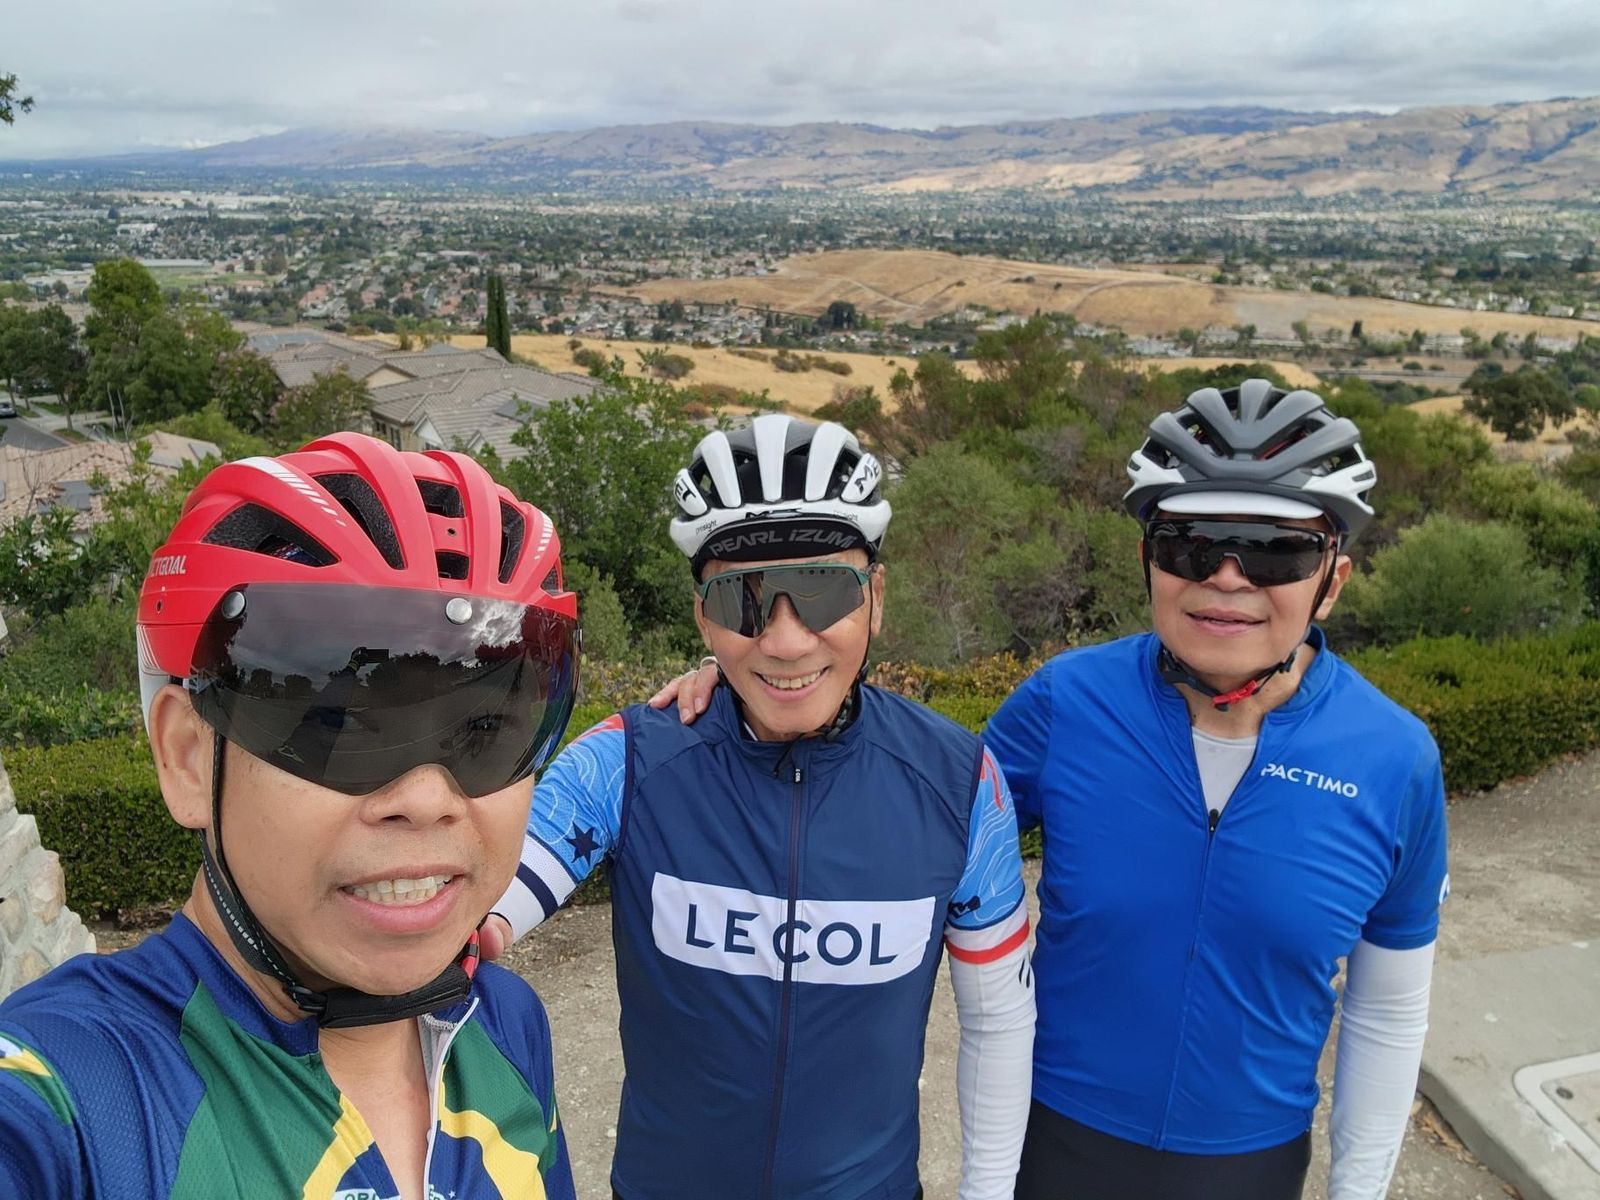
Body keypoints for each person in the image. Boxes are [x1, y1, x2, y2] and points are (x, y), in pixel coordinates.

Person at [662, 381, 1450, 1200]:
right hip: (1057, 1143)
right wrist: (746, 689)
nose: (1226, 578)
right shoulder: (1065, 703)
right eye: (1187, 546)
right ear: (1148, 561)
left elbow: (1387, 1012)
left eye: (1275, 552)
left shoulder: (1393, 760)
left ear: (1333, 578)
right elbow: (901, 802)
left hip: (1251, 1161)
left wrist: (1360, 1191)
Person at [0, 432, 582, 1200]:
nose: (426, 800)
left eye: (484, 730)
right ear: (185, 758)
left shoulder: (507, 1025)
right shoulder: (74, 1095)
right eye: (336, 723)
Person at [482, 414, 1035, 1200]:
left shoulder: (959, 781)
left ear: (876, 598)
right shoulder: (630, 760)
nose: (785, 641)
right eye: (743, 600)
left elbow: (998, 1022)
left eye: (822, 591)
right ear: (702, 615)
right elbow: (470, 912)